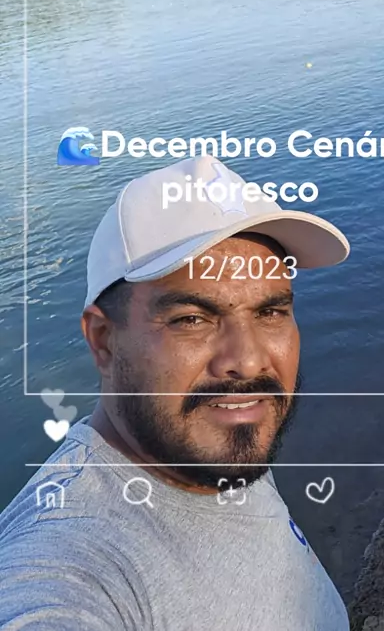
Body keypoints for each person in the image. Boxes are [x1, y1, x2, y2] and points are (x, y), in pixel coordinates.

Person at [0, 154, 350, 630]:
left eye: (270, 313)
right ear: (103, 340)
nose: (248, 361)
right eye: (191, 319)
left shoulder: (208, 439)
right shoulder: (70, 558)